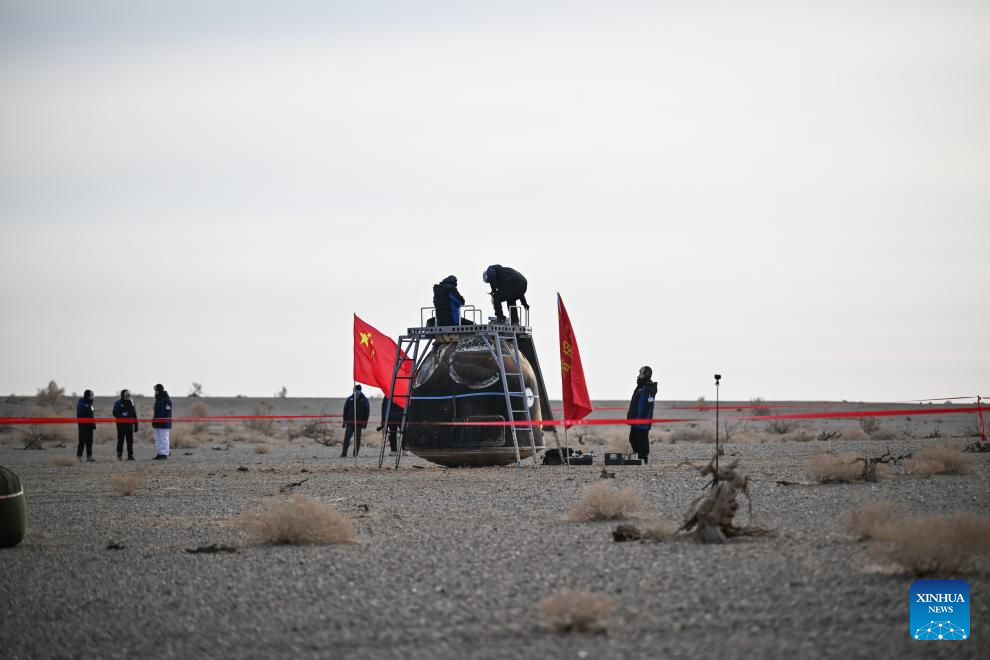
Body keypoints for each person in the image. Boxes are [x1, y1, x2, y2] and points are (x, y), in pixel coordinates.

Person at [627, 366, 658, 463]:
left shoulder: (649, 388)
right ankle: (637, 456)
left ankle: (643, 458)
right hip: (635, 418)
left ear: (646, 375)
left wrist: (644, 415)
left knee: (642, 439)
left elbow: (650, 402)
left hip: (643, 419)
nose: (639, 375)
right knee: (632, 438)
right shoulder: (639, 387)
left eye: (641, 373)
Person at [341, 385, 370, 457]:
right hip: (349, 423)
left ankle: (355, 453)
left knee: (357, 439)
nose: (355, 392)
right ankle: (344, 453)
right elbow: (345, 410)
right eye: (354, 390)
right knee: (347, 438)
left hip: (359, 424)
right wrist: (344, 422)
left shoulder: (364, 400)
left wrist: (365, 423)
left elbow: (367, 411)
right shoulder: (349, 399)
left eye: (356, 390)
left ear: (360, 390)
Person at [112, 389, 139, 461]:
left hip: (130, 426)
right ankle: (119, 455)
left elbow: (134, 414)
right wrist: (122, 415)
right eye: (126, 396)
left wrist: (136, 425)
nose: (127, 397)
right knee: (120, 440)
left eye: (128, 396)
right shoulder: (118, 403)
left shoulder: (131, 403)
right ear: (122, 396)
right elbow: (114, 413)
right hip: (121, 426)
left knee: (130, 441)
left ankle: (130, 455)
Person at [152, 383, 172, 460]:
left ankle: (164, 453)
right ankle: (160, 453)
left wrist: (162, 420)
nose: (155, 392)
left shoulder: (166, 400)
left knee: (164, 438)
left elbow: (167, 411)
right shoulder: (158, 399)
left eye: (156, 390)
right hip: (157, 423)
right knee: (158, 439)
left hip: (164, 423)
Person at [76, 389, 97, 462]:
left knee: (90, 442)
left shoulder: (90, 403)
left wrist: (93, 424)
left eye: (92, 396)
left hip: (90, 426)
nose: (92, 397)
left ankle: (89, 457)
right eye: (91, 396)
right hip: (83, 426)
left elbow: (91, 415)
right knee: (82, 441)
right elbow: (80, 415)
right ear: (87, 396)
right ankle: (79, 457)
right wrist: (82, 425)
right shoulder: (81, 403)